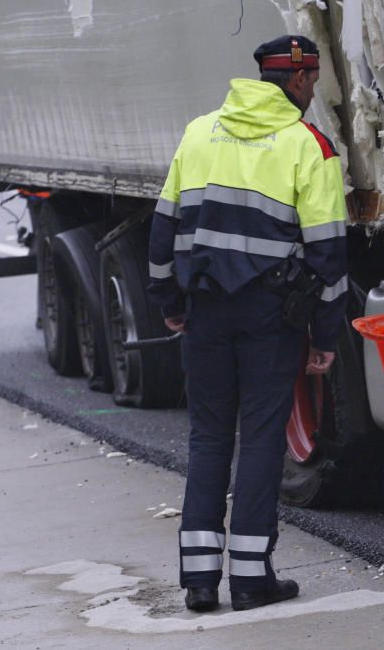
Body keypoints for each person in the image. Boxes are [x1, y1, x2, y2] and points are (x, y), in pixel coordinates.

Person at [146, 35, 348, 612]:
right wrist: (326, 335)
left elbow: (163, 232)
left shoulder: (199, 131)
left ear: (261, 75)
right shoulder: (309, 146)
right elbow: (328, 253)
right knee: (261, 440)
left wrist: (170, 301)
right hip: (272, 319)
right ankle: (252, 578)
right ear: (303, 81)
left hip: (205, 311)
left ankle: (200, 582)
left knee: (208, 437)